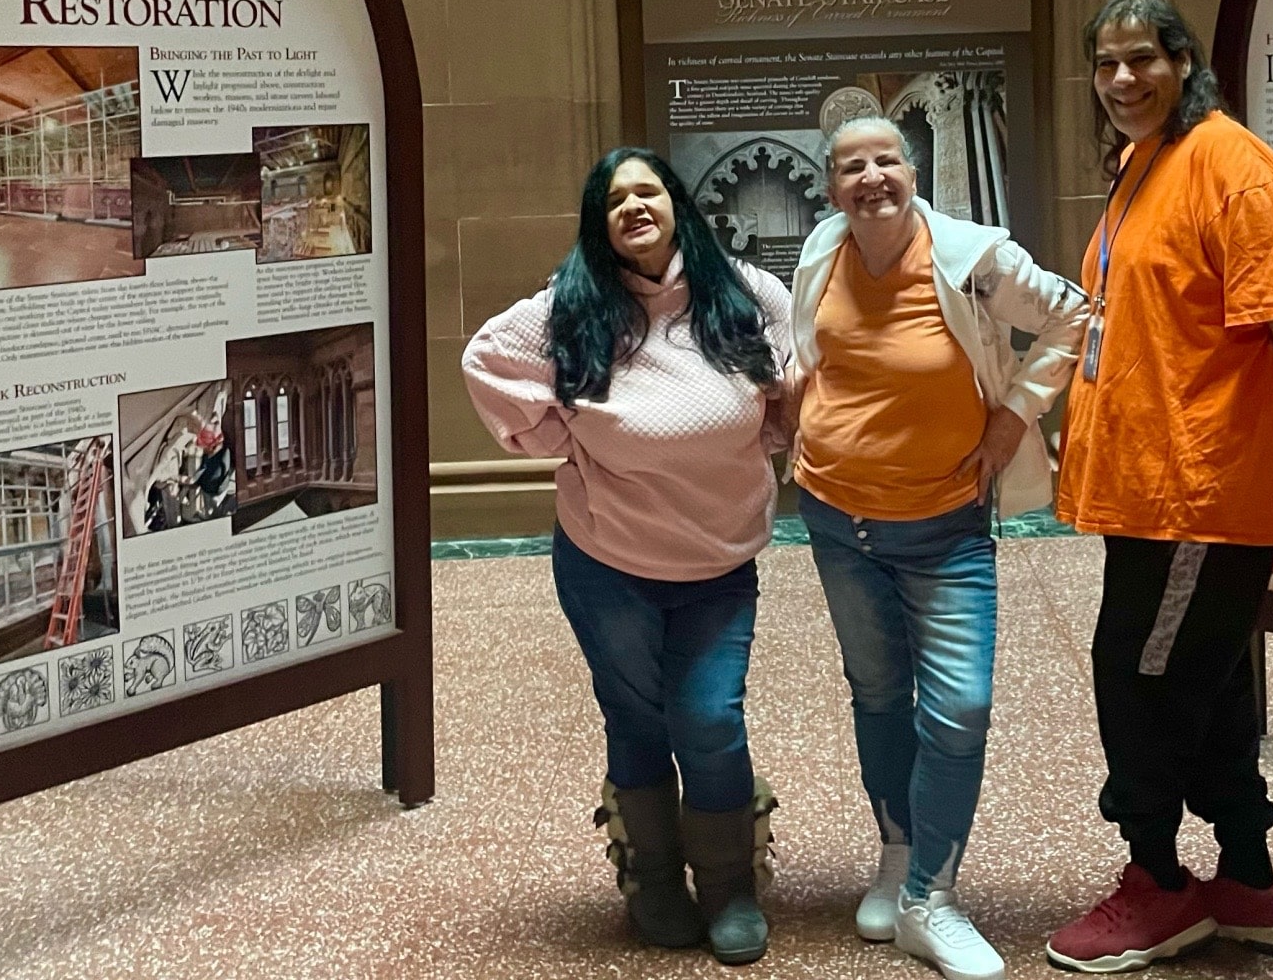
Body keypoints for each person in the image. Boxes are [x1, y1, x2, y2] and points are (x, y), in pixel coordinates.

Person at [1044, 0, 1273, 972]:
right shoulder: (1144, 162)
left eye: (1143, 57)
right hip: (1151, 481)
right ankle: (1249, 876)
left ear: (1183, 62)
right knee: (1204, 678)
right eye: (1106, 63)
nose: (1122, 78)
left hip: (1197, 487)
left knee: (1140, 674)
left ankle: (1158, 883)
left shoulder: (1229, 162)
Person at [462, 147, 792, 966]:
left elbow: (793, 385)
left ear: (677, 203)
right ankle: (653, 878)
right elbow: (484, 359)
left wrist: (763, 447)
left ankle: (729, 884)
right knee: (637, 718)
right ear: (599, 223)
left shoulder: (746, 294)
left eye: (647, 192)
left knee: (709, 720)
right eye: (615, 201)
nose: (634, 208)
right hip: (607, 562)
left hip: (719, 562)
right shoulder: (572, 305)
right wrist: (558, 434)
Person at [791, 114, 1086, 980]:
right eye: (852, 167)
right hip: (837, 519)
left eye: (885, 160)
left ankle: (932, 899)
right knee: (879, 694)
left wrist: (1015, 415)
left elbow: (1072, 314)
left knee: (959, 708)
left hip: (945, 525)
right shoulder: (822, 250)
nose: (871, 178)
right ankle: (899, 858)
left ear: (912, 172)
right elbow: (812, 354)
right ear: (831, 187)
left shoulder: (972, 258)